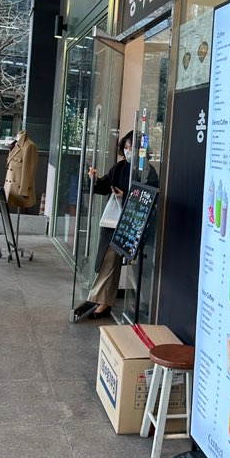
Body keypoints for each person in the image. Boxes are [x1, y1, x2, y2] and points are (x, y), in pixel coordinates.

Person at [81, 130, 157, 318]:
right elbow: (104, 185)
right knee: (108, 259)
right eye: (126, 147)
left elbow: (150, 197)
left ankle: (141, 302)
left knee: (136, 265)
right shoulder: (120, 167)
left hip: (135, 225)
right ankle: (103, 301)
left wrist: (126, 196)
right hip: (115, 222)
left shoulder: (148, 171)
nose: (128, 151)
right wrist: (94, 179)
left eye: (132, 147)